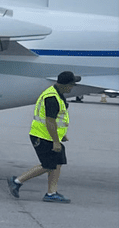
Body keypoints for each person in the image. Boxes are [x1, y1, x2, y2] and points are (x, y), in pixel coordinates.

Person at [9, 71, 79, 203]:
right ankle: (17, 181)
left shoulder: (58, 94)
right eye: (71, 84)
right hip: (42, 136)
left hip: (49, 135)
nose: (72, 87)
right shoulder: (51, 97)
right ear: (64, 85)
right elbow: (50, 121)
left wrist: (61, 136)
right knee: (48, 165)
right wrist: (56, 142)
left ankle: (52, 193)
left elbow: (58, 119)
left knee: (58, 162)